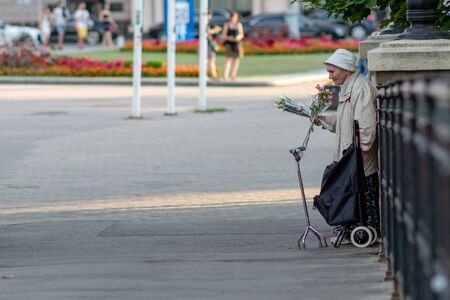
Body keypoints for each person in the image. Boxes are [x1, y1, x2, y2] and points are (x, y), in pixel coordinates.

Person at [314, 48, 379, 243]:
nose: (330, 76)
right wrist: (325, 119)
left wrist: (358, 154)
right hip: (350, 154)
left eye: (332, 71)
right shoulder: (350, 87)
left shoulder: (360, 88)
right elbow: (346, 121)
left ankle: (363, 230)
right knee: (349, 192)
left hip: (358, 156)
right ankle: (352, 230)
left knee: (360, 193)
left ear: (345, 70)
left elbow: (366, 127)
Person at [221, 11, 244, 80]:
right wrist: (229, 38)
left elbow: (241, 34)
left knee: (236, 60)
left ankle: (233, 75)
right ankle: (225, 75)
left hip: (236, 44)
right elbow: (223, 35)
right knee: (228, 59)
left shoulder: (239, 25)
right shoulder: (227, 25)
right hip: (229, 43)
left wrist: (238, 37)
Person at [206, 11, 221, 80]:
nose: (209, 17)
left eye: (209, 15)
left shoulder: (208, 23)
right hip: (206, 44)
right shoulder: (204, 23)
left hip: (209, 44)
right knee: (208, 60)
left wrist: (215, 31)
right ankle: (211, 75)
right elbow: (206, 32)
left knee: (211, 60)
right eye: (207, 15)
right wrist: (215, 30)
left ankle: (213, 75)